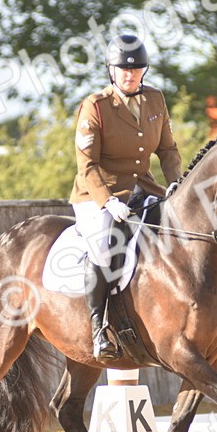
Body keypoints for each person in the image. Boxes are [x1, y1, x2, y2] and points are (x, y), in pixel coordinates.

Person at [70, 34, 182, 362]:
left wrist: (176, 184)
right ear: (111, 71)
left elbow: (168, 150)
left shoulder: (156, 100)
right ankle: (98, 328)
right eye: (123, 70)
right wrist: (107, 201)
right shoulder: (96, 106)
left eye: (136, 70)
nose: (130, 75)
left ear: (144, 71)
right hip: (96, 195)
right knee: (106, 245)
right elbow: (86, 164)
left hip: (142, 189)